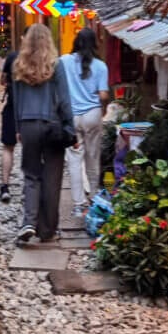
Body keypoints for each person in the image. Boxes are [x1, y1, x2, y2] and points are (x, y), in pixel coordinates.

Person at [13, 23, 74, 243]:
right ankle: (47, 229)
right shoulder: (56, 65)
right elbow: (65, 100)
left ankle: (29, 221)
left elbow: (16, 101)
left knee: (31, 174)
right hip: (52, 125)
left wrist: (18, 127)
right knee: (52, 177)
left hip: (28, 124)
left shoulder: (19, 65)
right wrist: (70, 128)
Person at [63, 28, 110, 216]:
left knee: (74, 160)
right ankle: (94, 197)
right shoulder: (101, 66)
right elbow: (104, 94)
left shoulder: (64, 62)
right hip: (93, 115)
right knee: (93, 157)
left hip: (72, 117)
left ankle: (78, 203)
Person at [0, 42, 20, 202]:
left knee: (8, 147)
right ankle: (30, 188)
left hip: (12, 107)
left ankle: (5, 186)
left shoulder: (13, 56)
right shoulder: (40, 58)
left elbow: (2, 81)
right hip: (32, 110)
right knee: (32, 151)